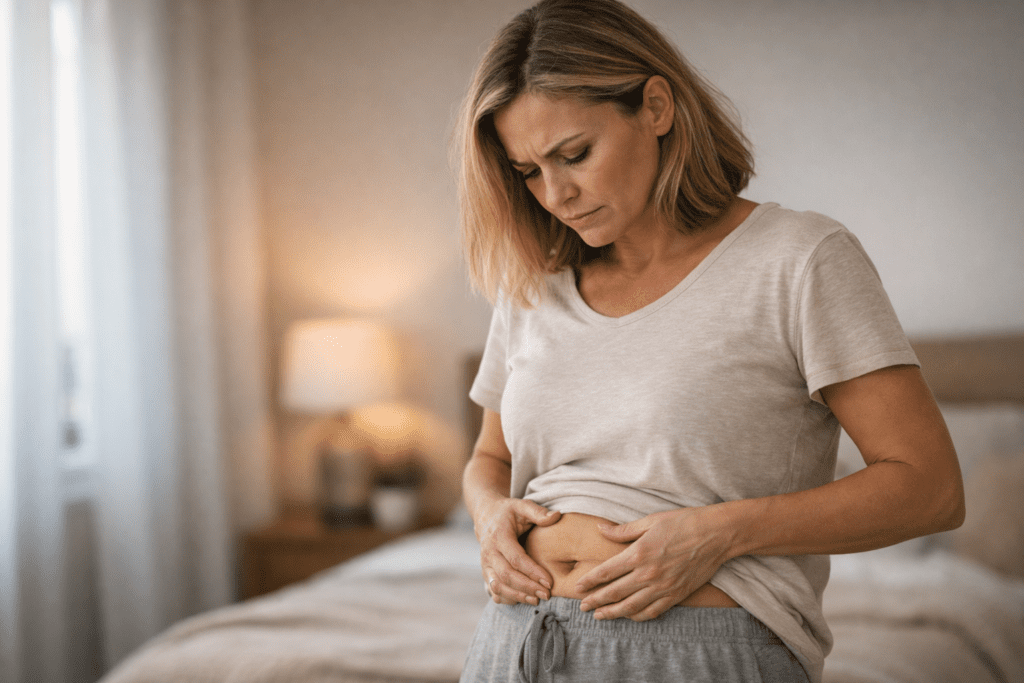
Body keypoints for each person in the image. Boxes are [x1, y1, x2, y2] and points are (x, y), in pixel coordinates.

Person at [453, 1, 965, 681]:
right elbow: (490, 457)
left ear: (656, 107)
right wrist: (489, 517)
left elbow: (930, 488)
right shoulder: (533, 285)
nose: (555, 194)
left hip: (702, 652)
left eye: (574, 155)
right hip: (513, 644)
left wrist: (720, 533)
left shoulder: (799, 259)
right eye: (527, 172)